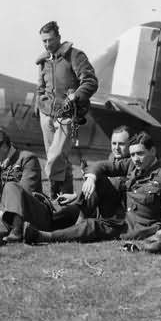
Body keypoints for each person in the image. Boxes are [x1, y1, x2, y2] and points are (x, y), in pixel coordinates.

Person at [22, 131, 161, 244]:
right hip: (115, 212)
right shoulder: (132, 164)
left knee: (91, 226)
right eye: (132, 154)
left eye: (140, 153)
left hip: (131, 226)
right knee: (95, 182)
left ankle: (43, 236)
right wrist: (91, 179)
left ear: (153, 151)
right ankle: (50, 222)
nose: (136, 158)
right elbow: (99, 166)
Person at [0, 127, 80, 246]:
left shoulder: (27, 158)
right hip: (14, 215)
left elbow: (28, 192)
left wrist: (0, 214)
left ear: (4, 146)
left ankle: (12, 231)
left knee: (10, 186)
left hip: (38, 214)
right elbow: (3, 199)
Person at [35, 21, 98, 197]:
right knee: (59, 159)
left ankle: (54, 194)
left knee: (55, 158)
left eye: (50, 40)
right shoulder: (43, 61)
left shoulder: (75, 56)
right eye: (44, 41)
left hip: (67, 115)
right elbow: (40, 87)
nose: (47, 44)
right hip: (46, 114)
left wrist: (75, 97)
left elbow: (90, 81)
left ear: (59, 38)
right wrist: (38, 104)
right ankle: (65, 199)